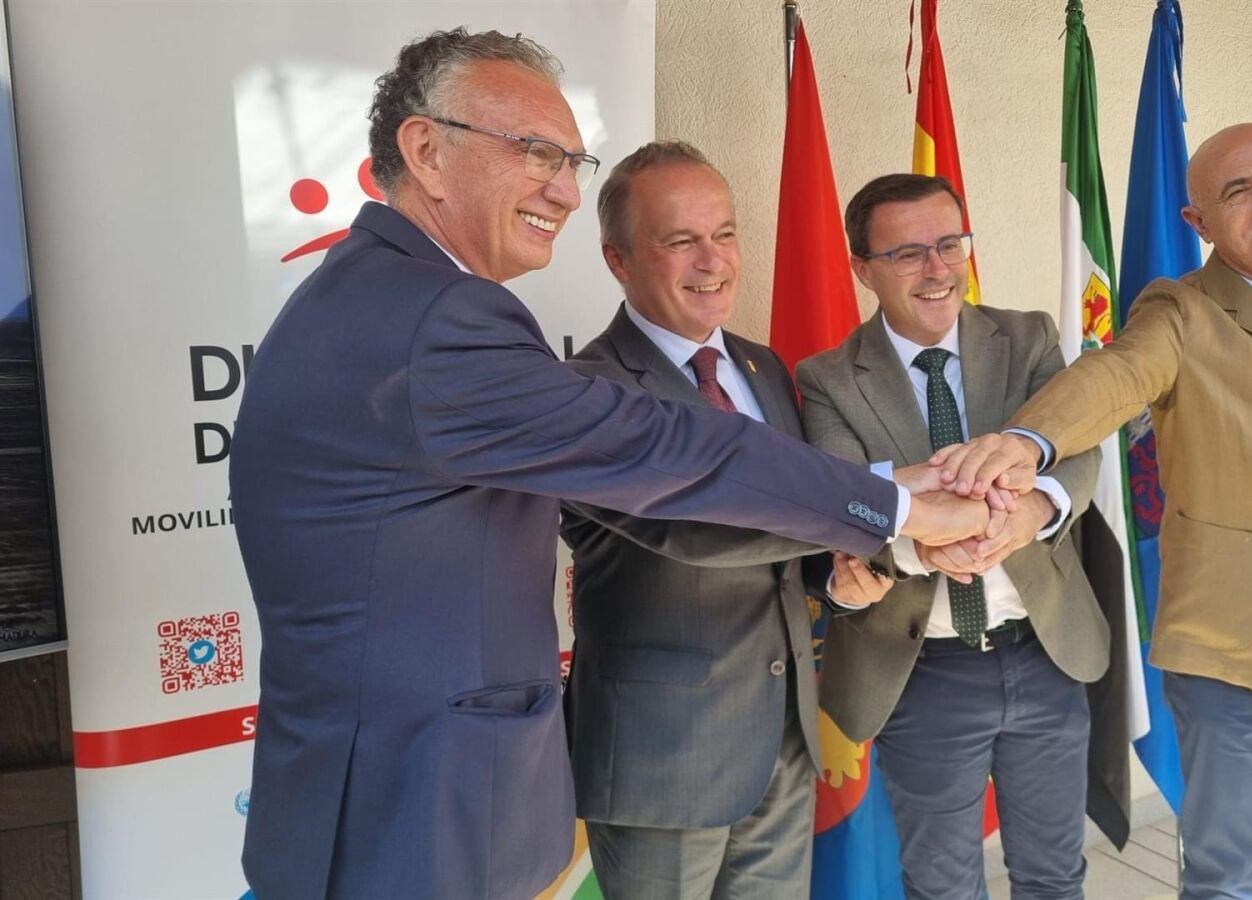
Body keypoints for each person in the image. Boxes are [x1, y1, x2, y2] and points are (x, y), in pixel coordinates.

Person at [229, 30, 988, 900]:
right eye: (535, 151)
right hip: (414, 807)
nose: (562, 187)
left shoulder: (379, 292)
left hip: (400, 793)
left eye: (571, 161)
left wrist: (872, 522)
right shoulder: (437, 318)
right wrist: (896, 504)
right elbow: (669, 453)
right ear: (427, 151)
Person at [933, 123, 1252, 899]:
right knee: (1223, 880)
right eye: (1239, 191)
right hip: (1228, 662)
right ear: (1198, 221)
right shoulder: (1180, 311)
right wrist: (1028, 441)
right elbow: (1117, 373)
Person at [559, 141, 892, 899]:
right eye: (681, 241)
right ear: (617, 259)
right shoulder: (590, 393)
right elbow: (700, 528)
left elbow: (790, 540)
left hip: (783, 737)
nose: (713, 261)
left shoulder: (761, 367)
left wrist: (839, 578)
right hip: (662, 758)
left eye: (725, 233)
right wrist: (887, 507)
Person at [796, 173, 1114, 900]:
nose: (938, 269)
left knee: (1055, 875)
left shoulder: (1028, 338)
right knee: (942, 886)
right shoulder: (829, 379)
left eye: (949, 244)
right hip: (922, 671)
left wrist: (1034, 513)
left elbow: (1078, 450)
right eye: (908, 253)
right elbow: (842, 503)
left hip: (1044, 650)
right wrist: (919, 546)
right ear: (862, 268)